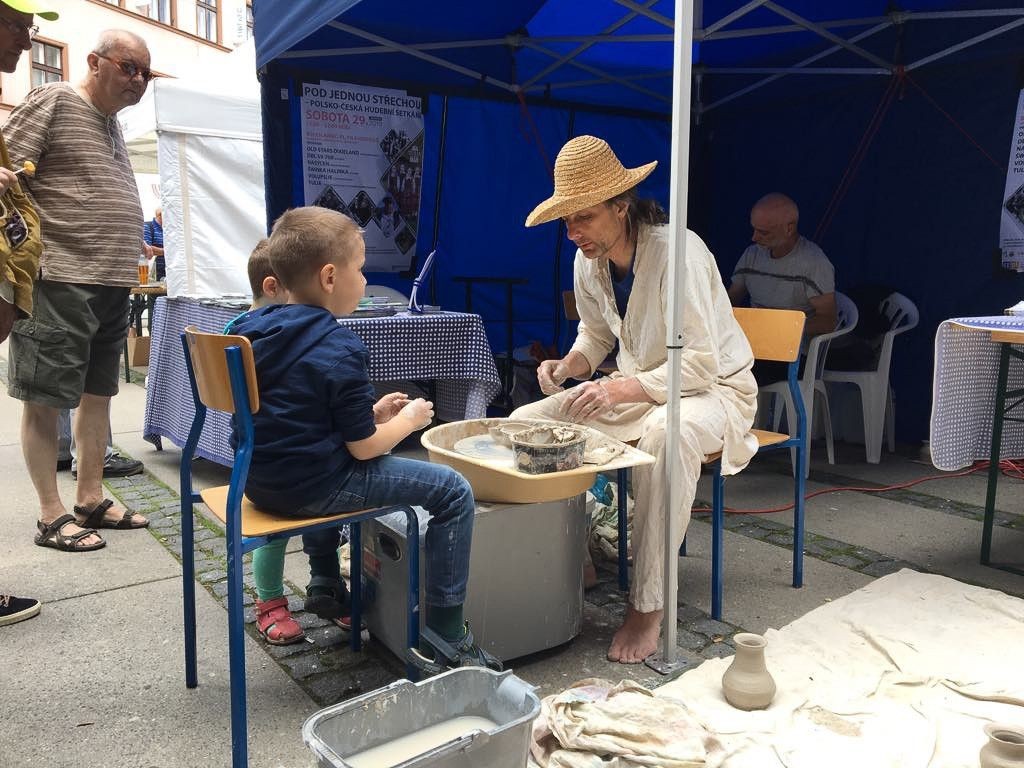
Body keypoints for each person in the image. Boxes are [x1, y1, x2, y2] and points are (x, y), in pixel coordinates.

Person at [511, 135, 758, 664]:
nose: (574, 232)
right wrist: (568, 366)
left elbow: (699, 363)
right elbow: (597, 337)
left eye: (585, 217)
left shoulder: (679, 253)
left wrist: (617, 386)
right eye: (566, 221)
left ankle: (648, 605)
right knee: (523, 422)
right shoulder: (589, 258)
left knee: (667, 433)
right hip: (641, 391)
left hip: (714, 392)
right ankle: (573, 560)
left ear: (622, 207)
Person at [228, 206, 500, 671]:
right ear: (330, 277)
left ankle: (325, 583)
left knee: (342, 457)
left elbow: (304, 415)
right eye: (360, 268)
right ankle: (447, 633)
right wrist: (409, 420)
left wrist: (370, 414)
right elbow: (365, 449)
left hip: (257, 480)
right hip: (314, 486)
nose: (363, 278)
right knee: (453, 491)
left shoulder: (247, 331)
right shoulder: (340, 345)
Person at [6, 29, 154, 552]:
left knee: (99, 393)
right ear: (94, 62)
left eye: (145, 73)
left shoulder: (112, 123)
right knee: (45, 397)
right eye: (128, 66)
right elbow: (8, 174)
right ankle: (50, 515)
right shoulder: (55, 98)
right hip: (59, 274)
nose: (137, 79)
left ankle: (90, 496)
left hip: (111, 278)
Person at [0, 0, 61, 627]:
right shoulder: (46, 105)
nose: (27, 39)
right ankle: (52, 511)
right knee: (40, 399)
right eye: (16, 25)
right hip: (36, 279)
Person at [223, 238, 305, 645]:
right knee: (281, 522)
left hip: (247, 451)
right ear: (274, 287)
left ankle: (323, 582)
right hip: (273, 457)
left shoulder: (230, 330)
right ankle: (270, 600)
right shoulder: (265, 339)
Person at [728, 193, 837, 383]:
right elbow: (730, 300)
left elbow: (828, 322)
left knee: (734, 379)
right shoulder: (751, 255)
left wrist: (782, 329)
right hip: (753, 348)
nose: (754, 237)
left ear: (789, 228)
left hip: (792, 355)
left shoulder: (814, 263)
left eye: (764, 232)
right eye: (754, 229)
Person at [143, 206, 164, 280]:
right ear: (160, 215)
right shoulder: (148, 226)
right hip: (153, 275)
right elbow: (147, 248)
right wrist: (167, 251)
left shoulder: (169, 230)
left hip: (169, 274)